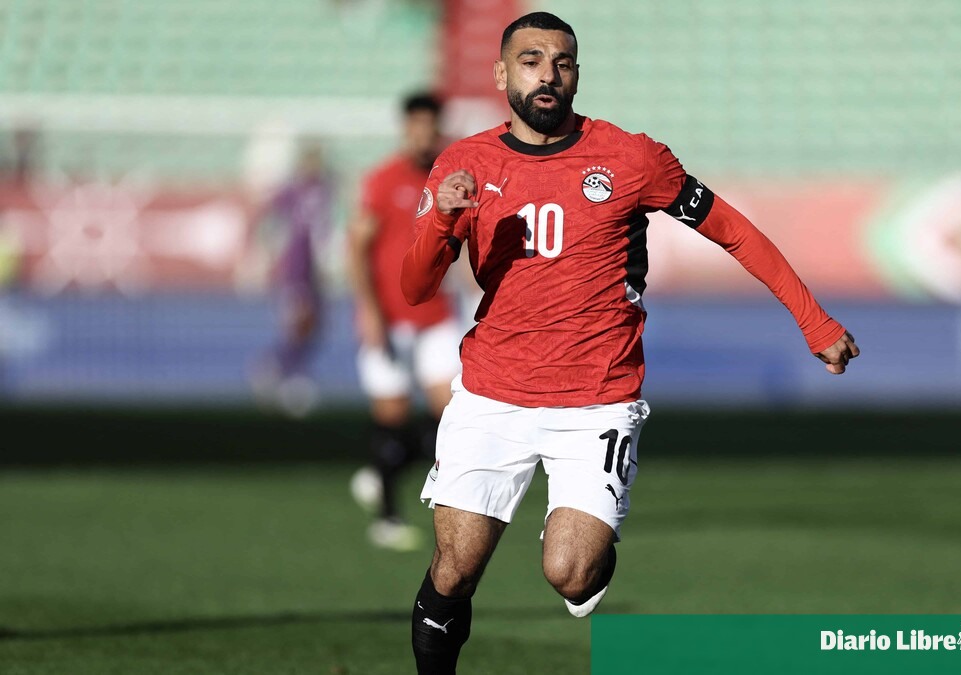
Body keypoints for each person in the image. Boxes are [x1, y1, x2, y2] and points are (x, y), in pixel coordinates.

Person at [402, 12, 860, 674]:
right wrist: (443, 217)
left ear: (576, 75)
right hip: (491, 395)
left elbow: (732, 230)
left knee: (570, 571)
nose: (547, 75)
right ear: (501, 74)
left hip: (596, 401)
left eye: (562, 62)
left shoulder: (631, 157)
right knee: (454, 568)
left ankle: (590, 559)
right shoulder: (463, 164)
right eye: (531, 61)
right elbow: (416, 289)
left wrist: (813, 320)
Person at [347, 93, 463, 551]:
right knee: (391, 417)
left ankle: (382, 473)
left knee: (452, 417)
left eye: (430, 127)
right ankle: (387, 516)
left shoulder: (449, 180)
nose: (423, 136)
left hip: (435, 317)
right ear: (405, 129)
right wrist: (369, 309)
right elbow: (357, 248)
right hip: (391, 318)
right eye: (416, 127)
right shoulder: (383, 180)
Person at [251, 141, 335, 417]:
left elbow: (324, 229)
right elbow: (265, 217)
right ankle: (285, 373)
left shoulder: (325, 189)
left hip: (314, 271)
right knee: (299, 322)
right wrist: (266, 250)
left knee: (315, 325)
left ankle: (282, 368)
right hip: (296, 268)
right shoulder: (292, 190)